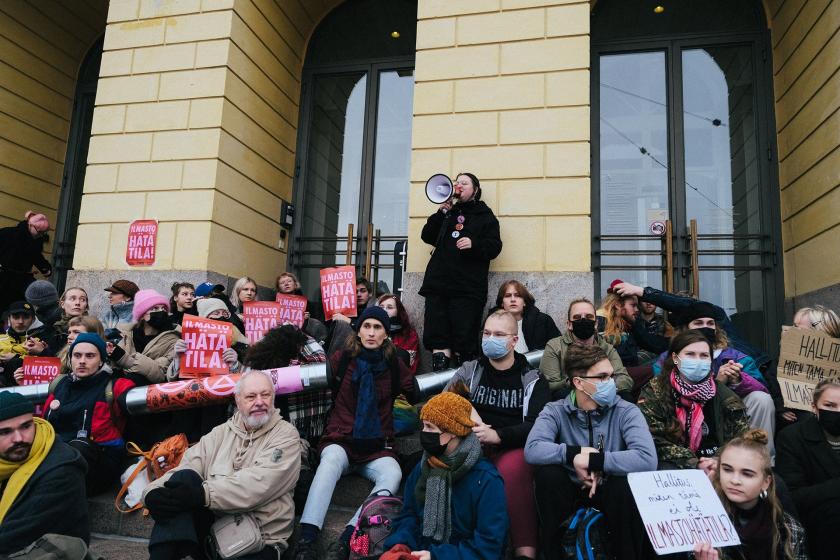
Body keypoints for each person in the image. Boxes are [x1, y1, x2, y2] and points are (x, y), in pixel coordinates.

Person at [291, 306, 417, 560]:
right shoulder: (342, 358)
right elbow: (310, 378)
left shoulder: (394, 363)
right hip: (341, 438)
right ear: (358, 331)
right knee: (330, 462)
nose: (371, 333)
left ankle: (349, 535)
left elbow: (413, 391)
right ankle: (306, 538)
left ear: (386, 334)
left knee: (393, 473)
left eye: (377, 327)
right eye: (366, 326)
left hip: (377, 445)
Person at [142, 370, 302, 560]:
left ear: (273, 398)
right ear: (238, 400)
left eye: (265, 395)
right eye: (251, 396)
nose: (259, 402)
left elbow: (257, 485)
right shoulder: (221, 432)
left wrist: (203, 494)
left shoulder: (286, 435)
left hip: (259, 540)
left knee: (188, 491)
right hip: (216, 533)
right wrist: (151, 493)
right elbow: (189, 465)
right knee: (183, 478)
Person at [525, 344, 657, 559]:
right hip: (571, 491)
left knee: (624, 485)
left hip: (612, 492)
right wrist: (575, 455)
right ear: (578, 382)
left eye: (611, 376)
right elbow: (533, 449)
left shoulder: (626, 410)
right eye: (602, 377)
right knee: (547, 475)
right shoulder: (555, 410)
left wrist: (596, 461)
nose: (611, 383)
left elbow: (646, 458)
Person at [444, 309, 550, 560]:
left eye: (499, 334)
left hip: (513, 445)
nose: (490, 339)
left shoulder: (533, 379)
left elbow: (537, 425)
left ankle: (525, 551)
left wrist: (499, 435)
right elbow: (444, 405)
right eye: (487, 333)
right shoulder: (469, 371)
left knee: (511, 472)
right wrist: (472, 429)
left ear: (514, 340)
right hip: (471, 441)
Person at [381, 391, 509, 560]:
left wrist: (436, 557)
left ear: (453, 432)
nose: (424, 433)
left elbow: (488, 546)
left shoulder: (486, 480)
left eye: (430, 427)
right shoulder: (423, 468)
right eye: (424, 426)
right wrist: (402, 545)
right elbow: (409, 515)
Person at [651, 302, 777, 455]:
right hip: (683, 411)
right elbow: (663, 388)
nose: (706, 327)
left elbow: (762, 385)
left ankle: (759, 459)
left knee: (761, 399)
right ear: (685, 328)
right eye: (698, 323)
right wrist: (716, 383)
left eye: (710, 323)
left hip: (730, 412)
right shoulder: (667, 360)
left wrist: (738, 380)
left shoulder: (735, 356)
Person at [419, 172, 503, 370]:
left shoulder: (485, 215)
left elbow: (494, 246)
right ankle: (438, 388)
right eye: (457, 182)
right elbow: (427, 236)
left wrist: (474, 244)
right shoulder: (448, 212)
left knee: (463, 337)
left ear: (475, 190)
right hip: (439, 284)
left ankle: (461, 390)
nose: (458, 186)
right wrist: (441, 212)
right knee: (438, 335)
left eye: (464, 183)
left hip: (467, 288)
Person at [638, 330, 749, 471]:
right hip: (677, 466)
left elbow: (741, 437)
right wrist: (694, 463)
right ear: (675, 358)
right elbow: (653, 439)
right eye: (690, 354)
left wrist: (717, 461)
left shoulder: (724, 394)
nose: (698, 360)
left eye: (704, 356)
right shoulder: (655, 391)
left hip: (719, 465)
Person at [694, 429, 808, 560]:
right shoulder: (703, 524)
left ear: (766, 482)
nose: (735, 480)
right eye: (727, 469)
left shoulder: (788, 529)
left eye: (747, 474)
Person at [43, 332, 135, 495]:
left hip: (98, 462)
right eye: (77, 355)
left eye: (90, 356)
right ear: (70, 359)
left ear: (101, 360)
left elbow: (135, 393)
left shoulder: (114, 386)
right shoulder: (59, 384)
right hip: (57, 461)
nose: (82, 361)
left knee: (79, 446)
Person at [0, 391, 89, 555]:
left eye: (26, 426)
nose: (19, 438)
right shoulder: (6, 463)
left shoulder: (62, 468)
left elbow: (14, 537)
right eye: (5, 432)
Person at [775, 378, 840, 559]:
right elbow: (793, 497)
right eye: (830, 405)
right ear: (814, 407)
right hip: (819, 523)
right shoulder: (792, 438)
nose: (837, 412)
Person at [243, 324, 329, 444]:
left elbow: (319, 366)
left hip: (293, 426)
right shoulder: (259, 361)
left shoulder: (309, 351)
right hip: (271, 424)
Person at [539, 297, 633, 399]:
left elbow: (624, 378)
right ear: (569, 324)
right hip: (571, 397)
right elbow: (549, 385)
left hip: (604, 396)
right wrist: (581, 384)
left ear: (596, 324)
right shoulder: (555, 346)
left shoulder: (606, 347)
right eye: (577, 317)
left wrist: (602, 389)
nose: (583, 320)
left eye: (589, 317)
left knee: (625, 396)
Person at [109, 289, 179, 385]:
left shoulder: (174, 340)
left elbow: (161, 373)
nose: (161, 312)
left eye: (163, 309)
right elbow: (114, 369)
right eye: (155, 308)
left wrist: (123, 359)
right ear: (142, 315)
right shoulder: (128, 336)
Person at [598, 280, 669, 368]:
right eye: (633, 305)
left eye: (637, 306)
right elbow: (625, 359)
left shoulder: (628, 323)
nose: (637, 310)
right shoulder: (600, 323)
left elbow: (650, 342)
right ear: (618, 305)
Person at [378, 293, 421, 434]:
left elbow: (409, 369)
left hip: (398, 388)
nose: (384, 310)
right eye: (381, 306)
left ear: (398, 311)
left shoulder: (409, 335)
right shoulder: (370, 331)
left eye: (389, 307)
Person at [0, 211, 52, 313]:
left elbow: (36, 256)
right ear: (30, 225)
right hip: (3, 275)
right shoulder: (7, 233)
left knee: (27, 301)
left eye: (43, 233)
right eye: (39, 232)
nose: (40, 235)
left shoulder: (36, 241)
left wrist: (45, 268)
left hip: (21, 278)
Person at [493, 279, 560, 352]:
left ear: (524, 302)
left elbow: (559, 350)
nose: (513, 299)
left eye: (517, 295)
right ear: (502, 303)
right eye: (508, 296)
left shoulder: (543, 321)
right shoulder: (492, 323)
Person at [1, 301, 56, 387]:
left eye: (26, 317)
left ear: (33, 319)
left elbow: (48, 368)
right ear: (9, 319)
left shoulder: (41, 341)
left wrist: (15, 357)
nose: (20, 321)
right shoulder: (1, 339)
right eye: (16, 317)